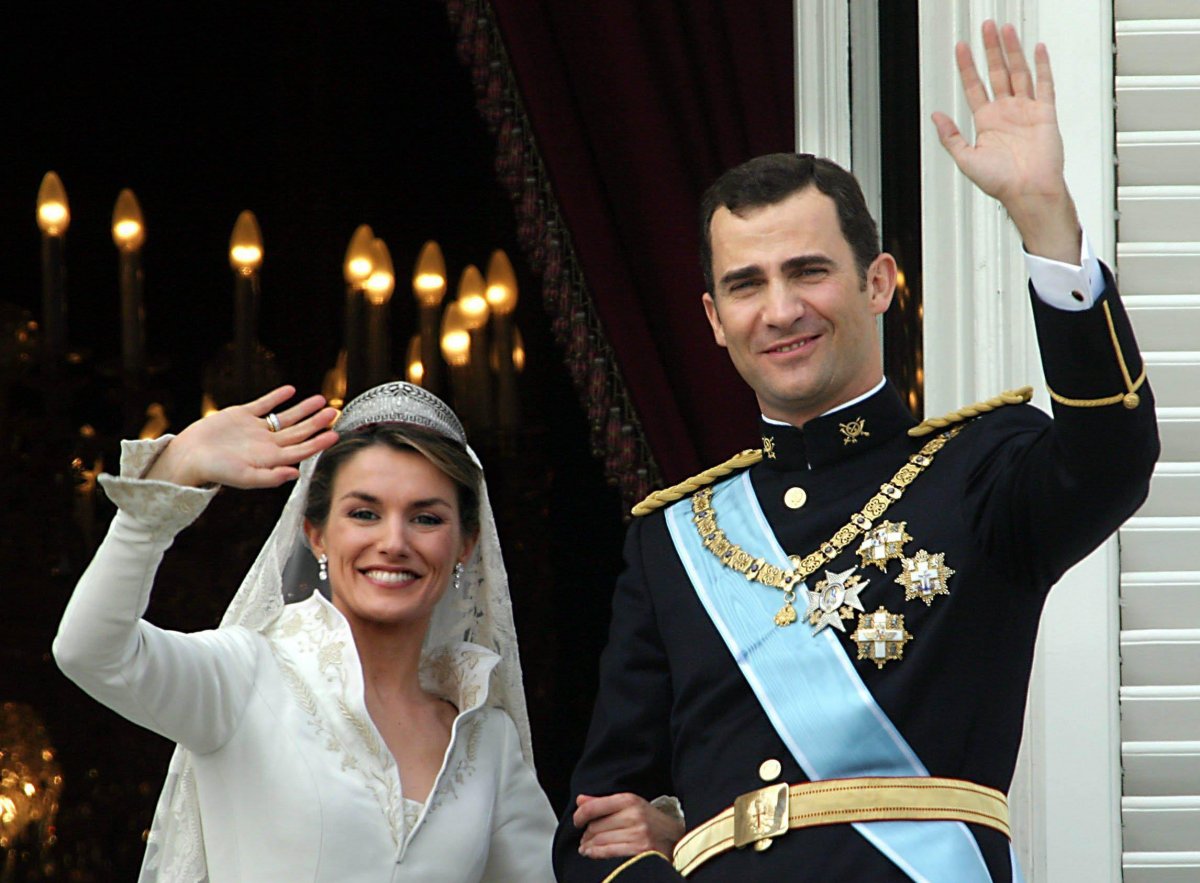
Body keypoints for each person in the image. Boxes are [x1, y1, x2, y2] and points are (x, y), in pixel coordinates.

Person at [553, 21, 1159, 882]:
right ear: (714, 320)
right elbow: (595, 828)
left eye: (809, 271)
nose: (781, 308)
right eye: (746, 284)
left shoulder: (983, 469)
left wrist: (1045, 221)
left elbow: (1112, 455)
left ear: (878, 282)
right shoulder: (672, 540)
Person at [54, 380, 557, 881]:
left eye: (426, 518)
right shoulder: (245, 677)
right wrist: (169, 480)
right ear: (315, 535)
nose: (394, 541)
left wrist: (636, 833)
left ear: (466, 546)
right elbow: (90, 651)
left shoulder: (487, 740)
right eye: (364, 513)